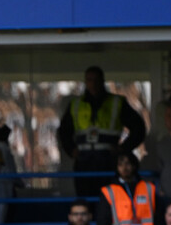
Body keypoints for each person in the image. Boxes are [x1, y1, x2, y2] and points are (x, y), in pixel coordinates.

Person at [57, 65, 146, 197]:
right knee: (86, 200)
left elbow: (138, 128)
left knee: (110, 199)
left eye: (96, 79)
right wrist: (71, 149)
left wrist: (123, 148)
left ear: (102, 80)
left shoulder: (117, 102)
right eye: (89, 79)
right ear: (85, 82)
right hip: (84, 161)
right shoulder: (76, 104)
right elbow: (64, 131)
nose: (93, 83)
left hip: (108, 160)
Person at [97, 153, 157, 225]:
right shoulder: (108, 191)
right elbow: (103, 223)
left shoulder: (149, 188)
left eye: (128, 163)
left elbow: (158, 217)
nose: (124, 167)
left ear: (134, 165)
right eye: (120, 164)